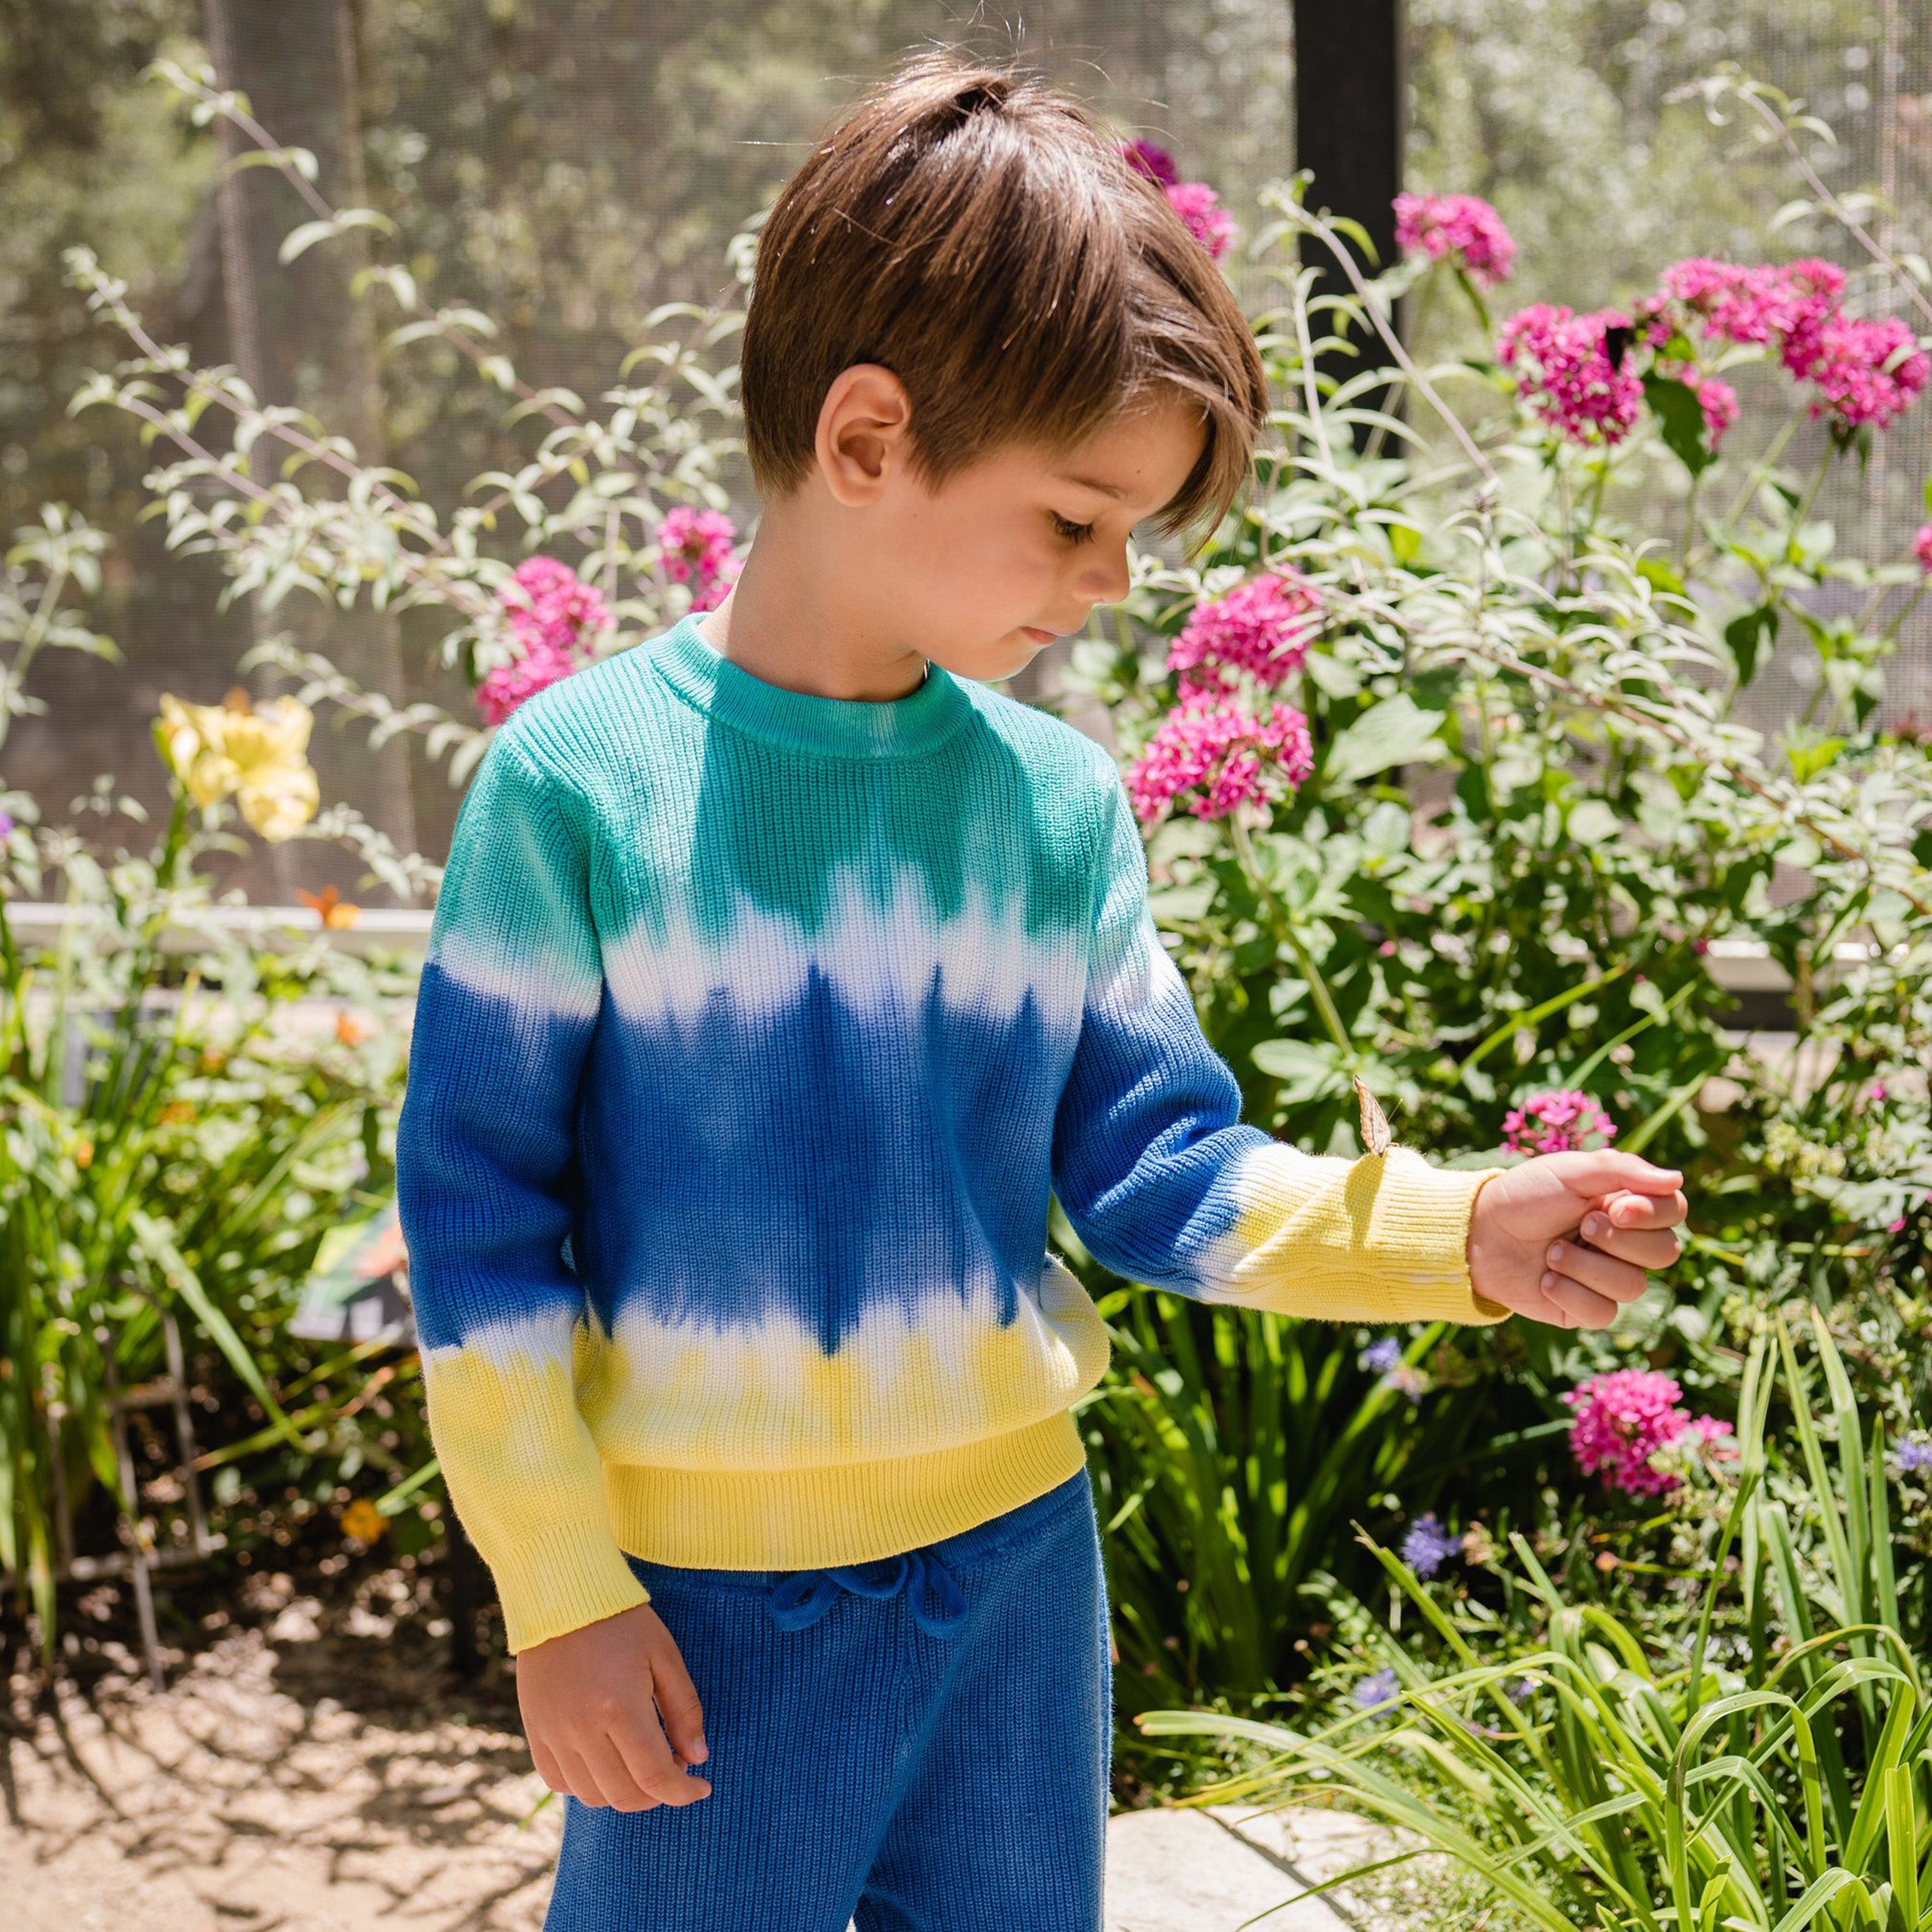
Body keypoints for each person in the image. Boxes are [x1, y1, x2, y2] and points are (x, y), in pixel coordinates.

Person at [392, 51, 1689, 1932]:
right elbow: (480, 1228)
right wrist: (562, 1589)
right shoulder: (574, 790)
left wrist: (1456, 1232)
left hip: (1015, 1577)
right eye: (1073, 521)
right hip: (693, 1613)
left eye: (1133, 540)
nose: (1105, 588)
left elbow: (1161, 1168)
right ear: (863, 439)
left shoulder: (1053, 808)